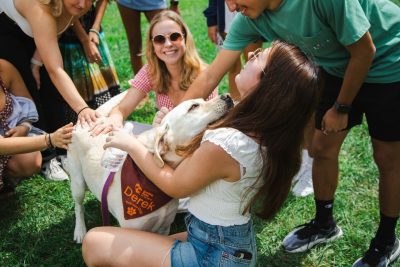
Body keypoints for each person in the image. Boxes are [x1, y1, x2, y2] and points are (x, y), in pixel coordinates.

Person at [182, 0, 400, 266]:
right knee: (321, 149)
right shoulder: (250, 15)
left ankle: (386, 240)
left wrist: (342, 107)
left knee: (388, 158)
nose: (230, 7)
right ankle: (324, 224)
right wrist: (171, 127)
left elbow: (365, 51)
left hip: (389, 63)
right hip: (336, 69)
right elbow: (210, 76)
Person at [81, 40, 320, 267]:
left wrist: (132, 145)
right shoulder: (263, 133)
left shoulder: (231, 144)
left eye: (259, 57)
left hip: (213, 255)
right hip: (227, 242)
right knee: (139, 242)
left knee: (94, 243)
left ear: (268, 86)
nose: (250, 54)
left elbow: (175, 185)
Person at [0, 0, 101, 180]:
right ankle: (47, 158)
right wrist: (83, 108)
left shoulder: (73, 5)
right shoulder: (40, 6)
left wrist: (37, 62)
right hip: (6, 31)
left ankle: (63, 152)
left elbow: (55, 30)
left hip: (35, 33)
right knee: (32, 88)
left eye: (89, 0)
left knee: (52, 88)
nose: (81, 4)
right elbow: (56, 69)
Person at [91, 10, 218, 135]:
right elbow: (122, 108)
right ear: (152, 44)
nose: (168, 44)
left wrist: (169, 124)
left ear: (185, 38)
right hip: (164, 138)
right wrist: (114, 119)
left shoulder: (203, 74)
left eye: (174, 36)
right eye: (159, 39)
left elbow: (212, 124)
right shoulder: (151, 70)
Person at [0, 59, 73, 199]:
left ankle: (6, 177)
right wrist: (50, 139)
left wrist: (24, 126)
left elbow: (26, 100)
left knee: (31, 160)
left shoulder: (4, 68)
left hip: (9, 138)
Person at [203, 0, 262, 101]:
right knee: (231, 66)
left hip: (250, 13)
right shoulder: (230, 6)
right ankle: (235, 104)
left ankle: (255, 103)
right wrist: (211, 20)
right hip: (226, 16)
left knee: (254, 64)